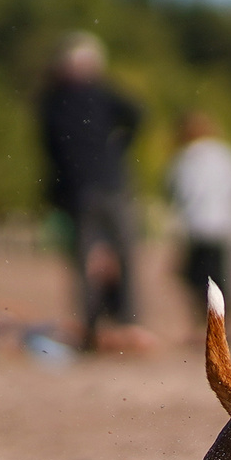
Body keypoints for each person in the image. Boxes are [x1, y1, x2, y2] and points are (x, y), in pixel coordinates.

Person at [37, 32, 150, 351]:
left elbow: (49, 147)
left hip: (90, 187)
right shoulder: (80, 96)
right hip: (97, 186)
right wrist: (119, 149)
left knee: (101, 255)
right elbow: (138, 114)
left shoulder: (56, 98)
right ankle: (108, 323)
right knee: (103, 255)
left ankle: (113, 323)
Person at [168, 111, 231, 333]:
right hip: (224, 223)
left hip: (197, 225)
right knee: (220, 275)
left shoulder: (186, 157)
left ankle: (206, 322)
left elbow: (179, 191)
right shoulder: (226, 154)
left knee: (197, 276)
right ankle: (225, 321)